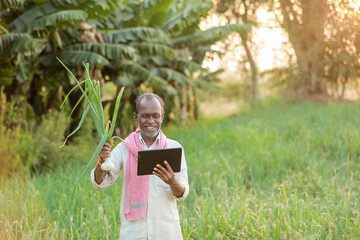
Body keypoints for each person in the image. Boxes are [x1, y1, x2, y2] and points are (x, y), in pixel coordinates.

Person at [91, 93, 189, 240]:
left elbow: (183, 193)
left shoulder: (174, 148)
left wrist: (172, 182)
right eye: (145, 116)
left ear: (162, 116)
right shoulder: (124, 148)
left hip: (166, 231)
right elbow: (100, 183)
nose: (151, 121)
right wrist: (101, 162)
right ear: (136, 117)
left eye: (156, 115)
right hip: (133, 232)